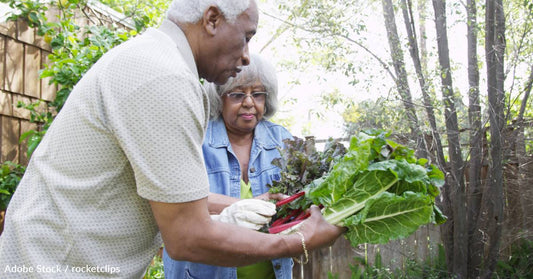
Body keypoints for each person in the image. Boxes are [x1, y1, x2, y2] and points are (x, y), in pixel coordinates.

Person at [0, 0, 344, 278]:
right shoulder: (165, 78)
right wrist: (299, 240)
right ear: (211, 19)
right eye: (247, 37)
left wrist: (246, 204)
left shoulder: (154, 59)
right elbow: (187, 238)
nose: (246, 57)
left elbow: (172, 194)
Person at [163, 53, 293, 279]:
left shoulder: (281, 141)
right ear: (219, 98)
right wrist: (246, 205)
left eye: (258, 94)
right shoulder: (196, 140)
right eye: (238, 94)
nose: (249, 102)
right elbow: (174, 198)